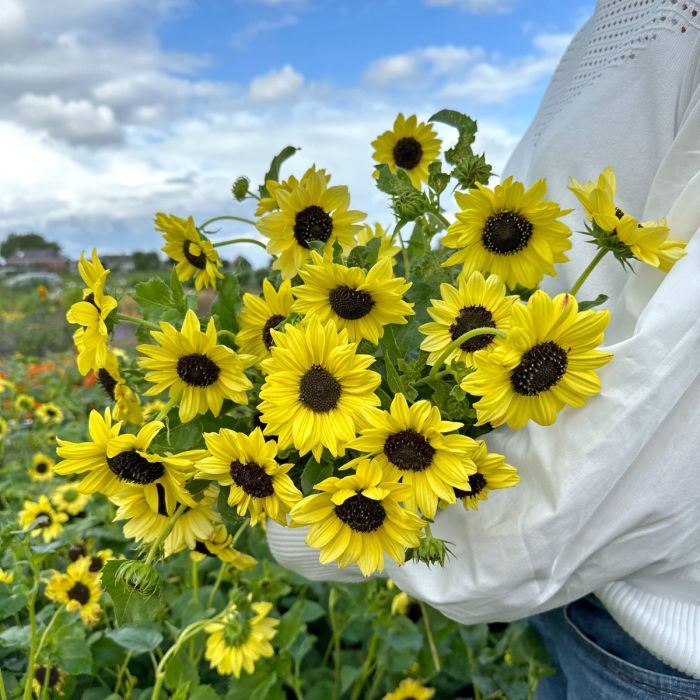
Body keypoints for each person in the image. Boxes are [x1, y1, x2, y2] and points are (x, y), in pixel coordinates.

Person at [267, 1, 700, 697]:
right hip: (584, 596)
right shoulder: (623, 21)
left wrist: (296, 513)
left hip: (650, 644)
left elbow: (652, 431)